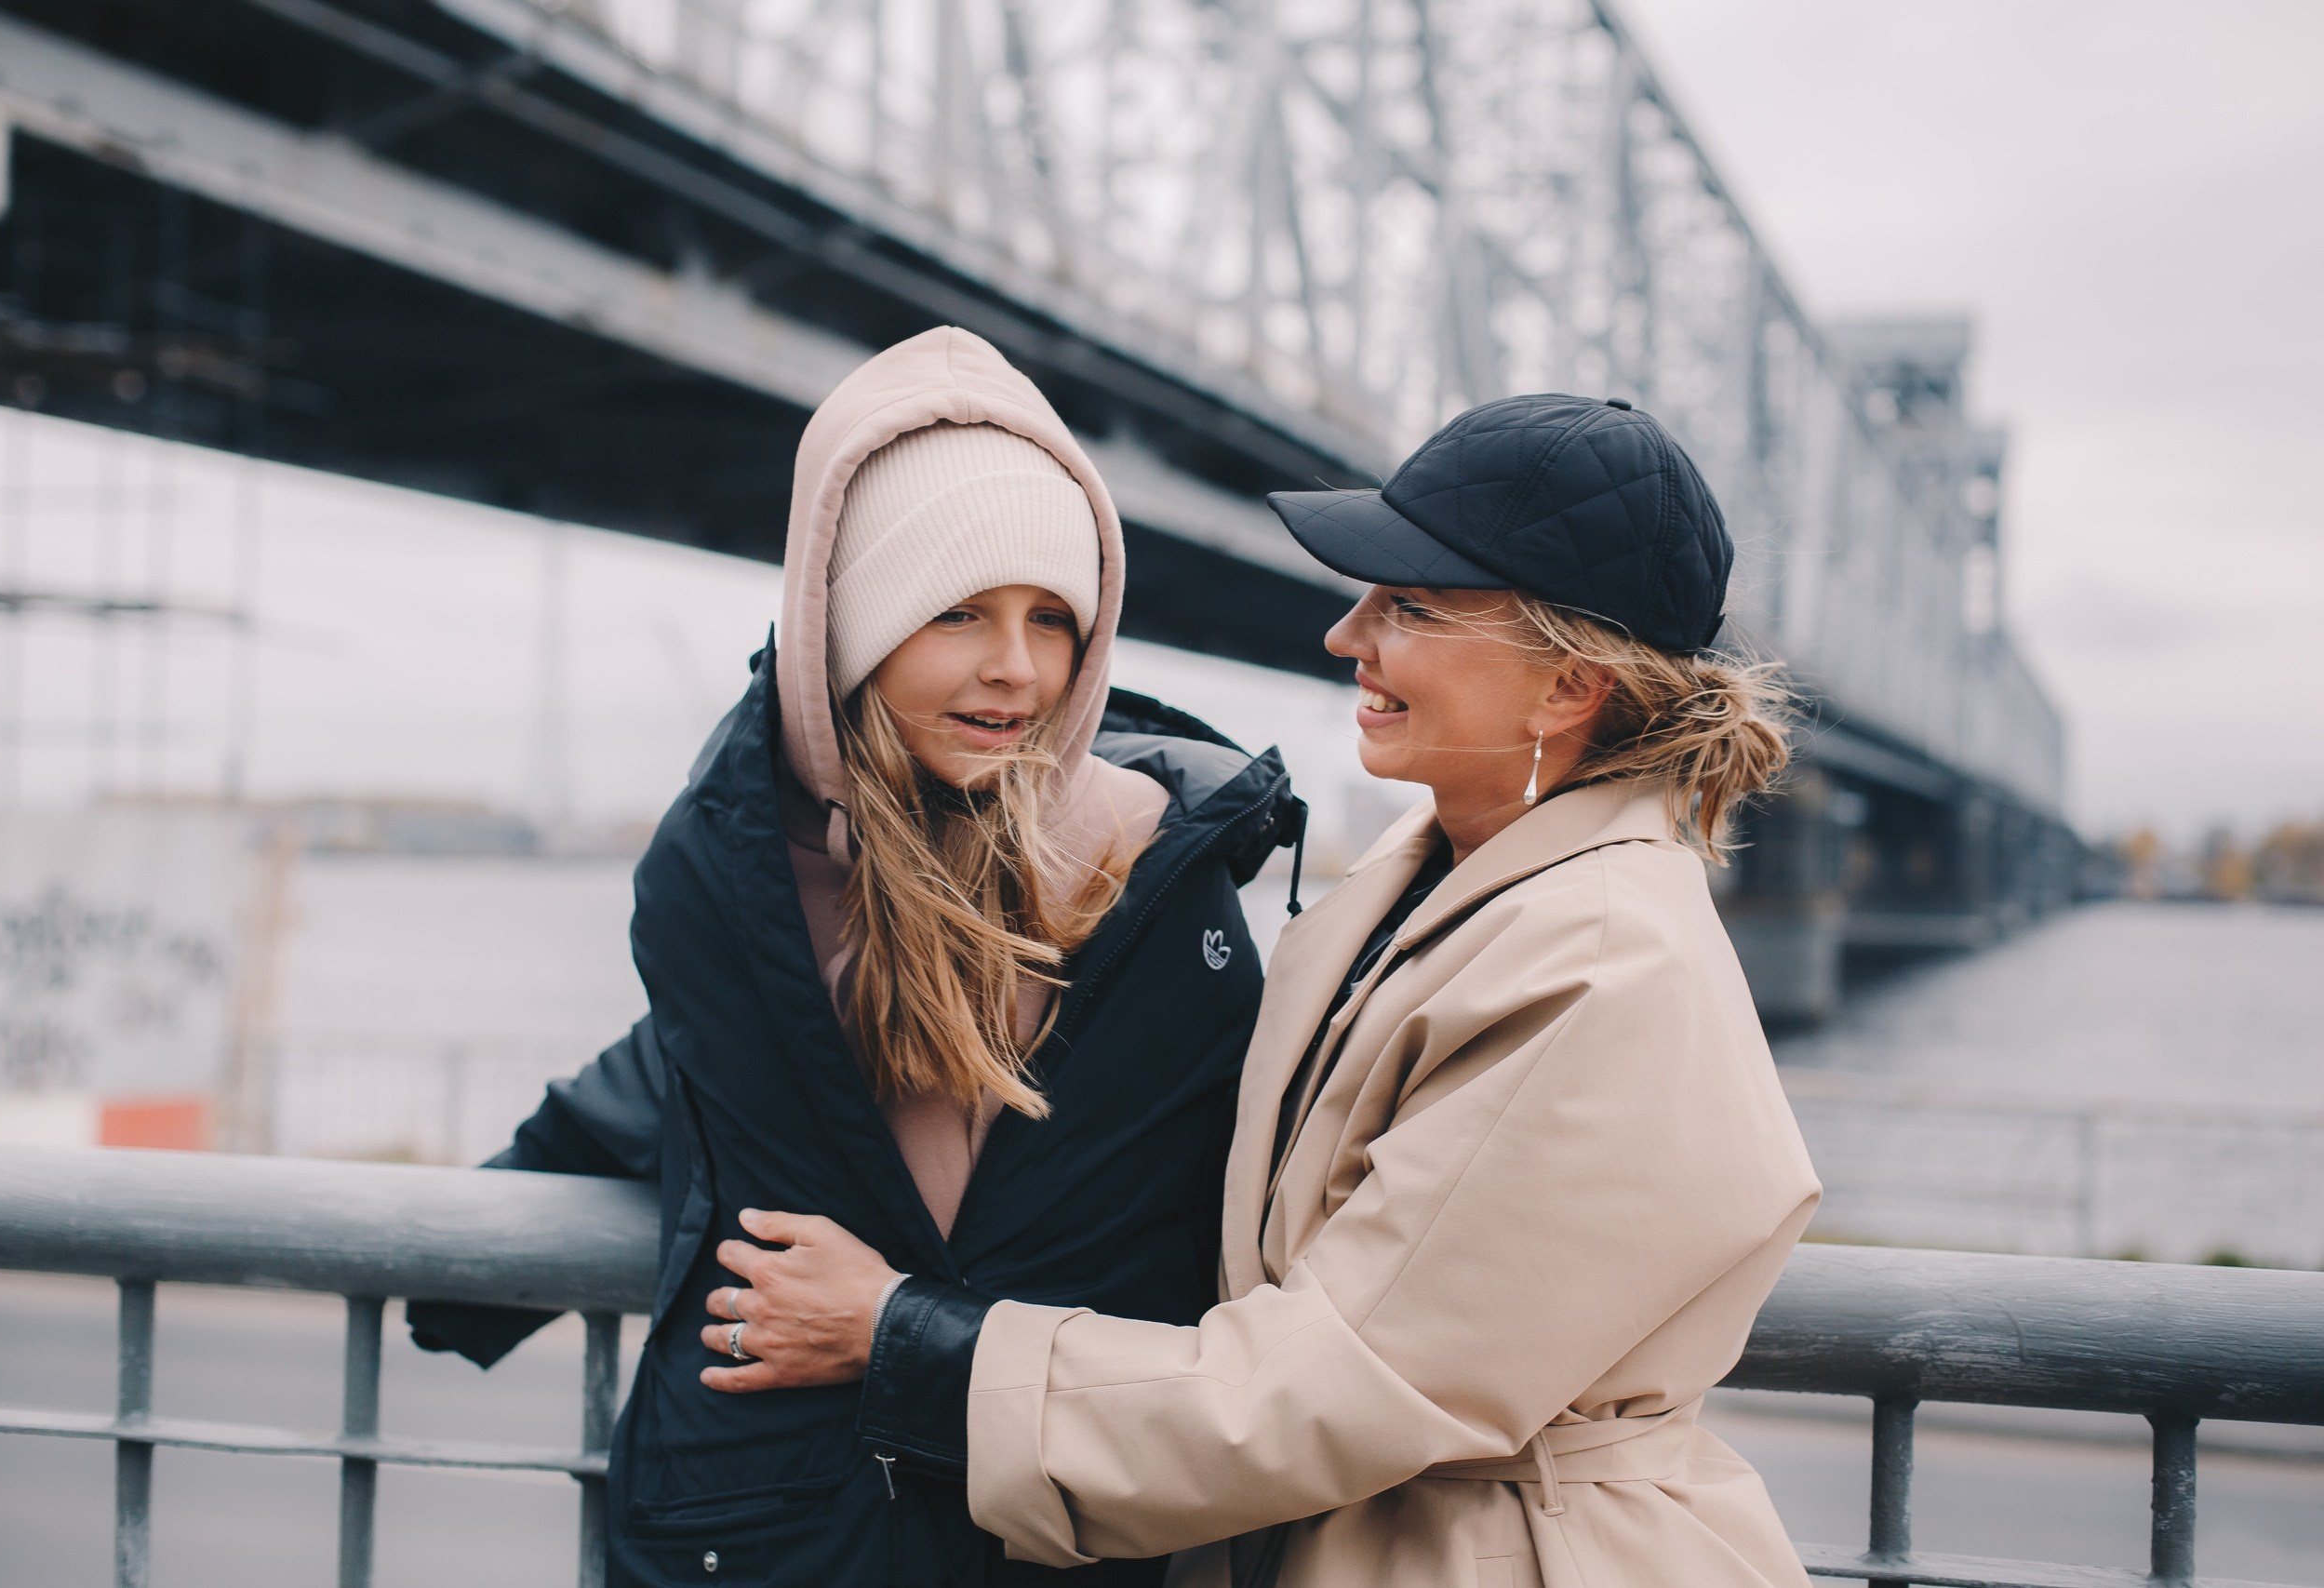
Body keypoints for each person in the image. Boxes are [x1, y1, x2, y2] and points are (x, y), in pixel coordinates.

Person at [697, 393, 1823, 1587]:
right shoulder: (1435, 890)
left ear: (1566, 688)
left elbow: (1328, 1385)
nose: (1347, 637)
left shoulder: (1604, 965)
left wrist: (903, 1343)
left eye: (1412, 607)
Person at [406, 327, 1302, 1587]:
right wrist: (454, 1265)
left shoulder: (1157, 889)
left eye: (1055, 618)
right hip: (753, 1534)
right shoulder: (731, 869)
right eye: (958, 612)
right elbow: (700, 1067)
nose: (1018, 666)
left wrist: (897, 1329)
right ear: (854, 625)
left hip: (1045, 1544)